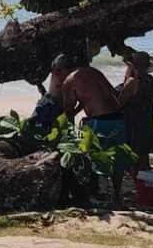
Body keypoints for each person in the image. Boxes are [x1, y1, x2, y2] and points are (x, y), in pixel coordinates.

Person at [47, 52, 129, 206]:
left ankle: (94, 194)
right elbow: (113, 93)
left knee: (93, 158)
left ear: (61, 70)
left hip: (98, 121)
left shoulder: (69, 81)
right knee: (117, 158)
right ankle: (117, 196)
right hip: (118, 117)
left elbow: (68, 114)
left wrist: (66, 136)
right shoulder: (94, 72)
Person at [117, 51, 153, 175]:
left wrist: (126, 81)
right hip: (146, 123)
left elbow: (119, 103)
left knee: (132, 162)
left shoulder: (132, 82)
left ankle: (139, 188)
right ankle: (147, 188)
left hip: (133, 125)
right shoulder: (152, 82)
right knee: (143, 161)